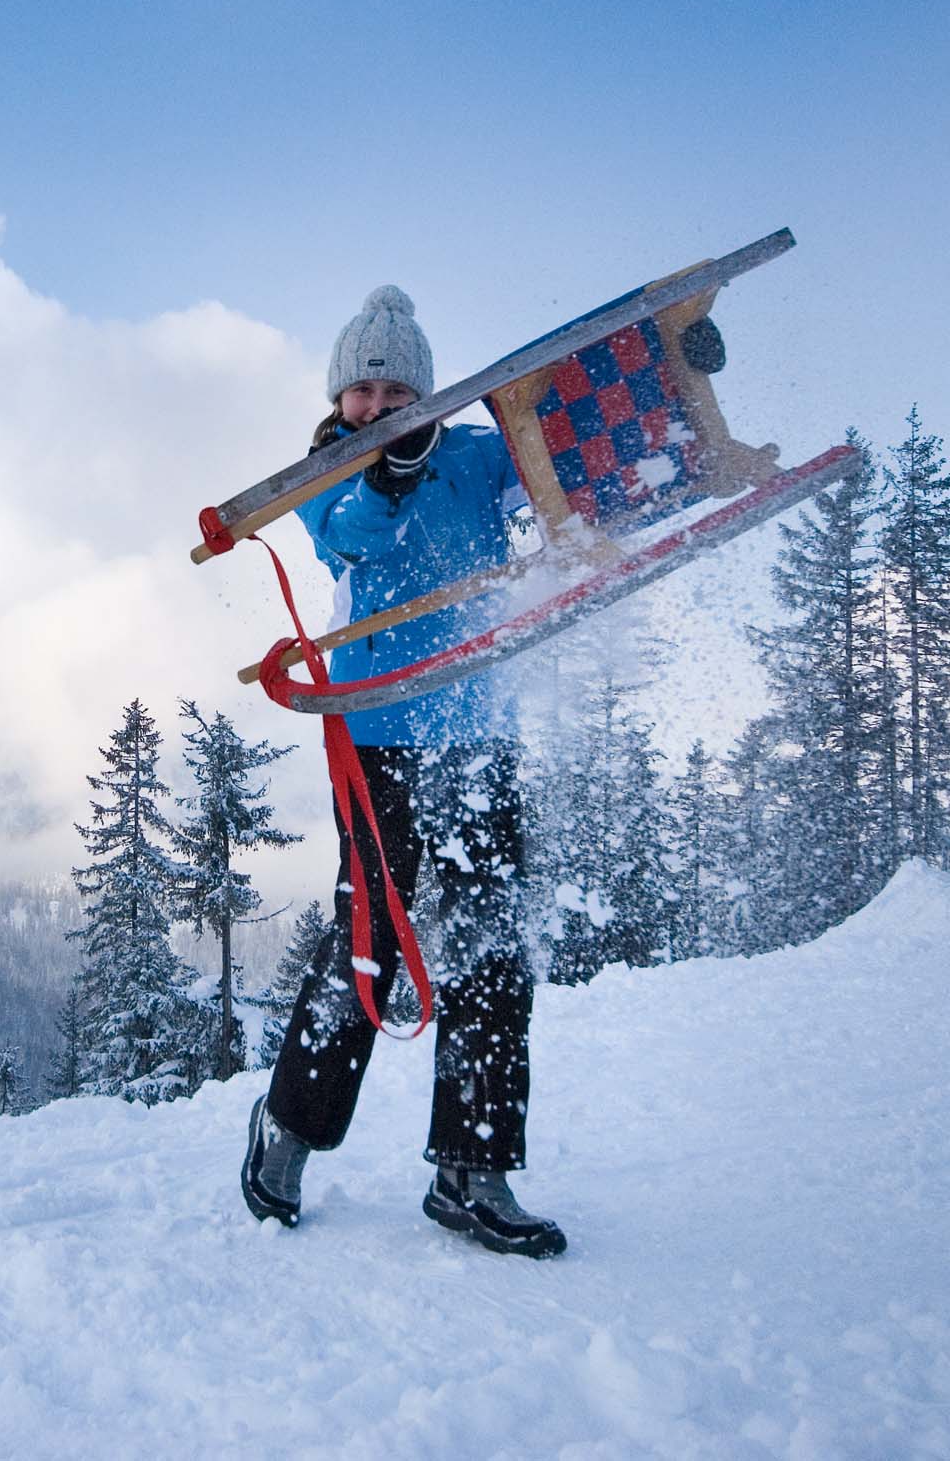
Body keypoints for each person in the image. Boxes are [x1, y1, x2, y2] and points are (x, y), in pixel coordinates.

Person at [237, 283, 562, 1258]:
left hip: (478, 734)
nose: (375, 405)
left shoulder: (474, 454)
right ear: (338, 401)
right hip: (377, 738)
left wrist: (662, 388)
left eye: (392, 388)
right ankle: (289, 1126)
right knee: (370, 947)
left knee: (491, 945)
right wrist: (386, 476)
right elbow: (349, 536)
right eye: (360, 390)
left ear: (424, 389)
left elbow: (563, 461)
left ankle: (473, 1168)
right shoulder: (325, 472)